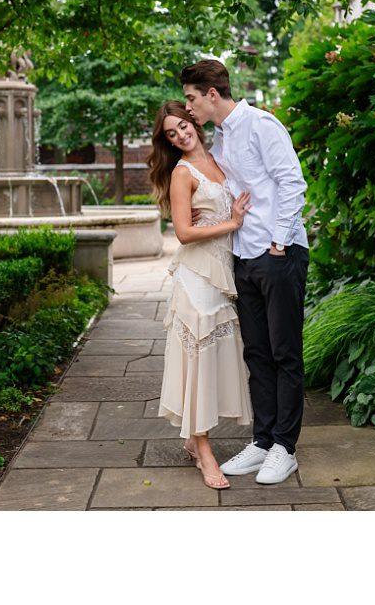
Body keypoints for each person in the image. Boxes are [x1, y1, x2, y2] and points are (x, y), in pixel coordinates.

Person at [180, 59, 311, 486]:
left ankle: (285, 448)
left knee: (284, 352)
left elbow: (292, 182)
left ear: (212, 95)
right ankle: (263, 440)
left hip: (279, 254)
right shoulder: (219, 142)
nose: (189, 107)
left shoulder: (261, 125)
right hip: (244, 257)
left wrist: (278, 242)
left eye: (192, 98)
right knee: (256, 352)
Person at [146, 100, 252, 490]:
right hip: (196, 276)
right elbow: (184, 233)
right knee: (198, 361)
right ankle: (205, 452)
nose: (179, 135)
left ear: (194, 123)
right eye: (171, 134)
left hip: (223, 272)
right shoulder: (181, 173)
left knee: (217, 357)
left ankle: (195, 439)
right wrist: (231, 223)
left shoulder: (221, 159)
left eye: (182, 127)